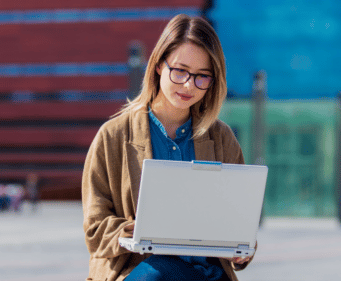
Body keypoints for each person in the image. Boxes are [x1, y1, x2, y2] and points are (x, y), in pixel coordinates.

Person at [82, 14, 254, 281]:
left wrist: (241, 249)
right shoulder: (113, 136)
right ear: (159, 65)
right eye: (180, 70)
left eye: (201, 77)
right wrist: (134, 230)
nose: (188, 85)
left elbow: (240, 220)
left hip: (206, 273)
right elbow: (94, 229)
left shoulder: (221, 138)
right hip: (143, 271)